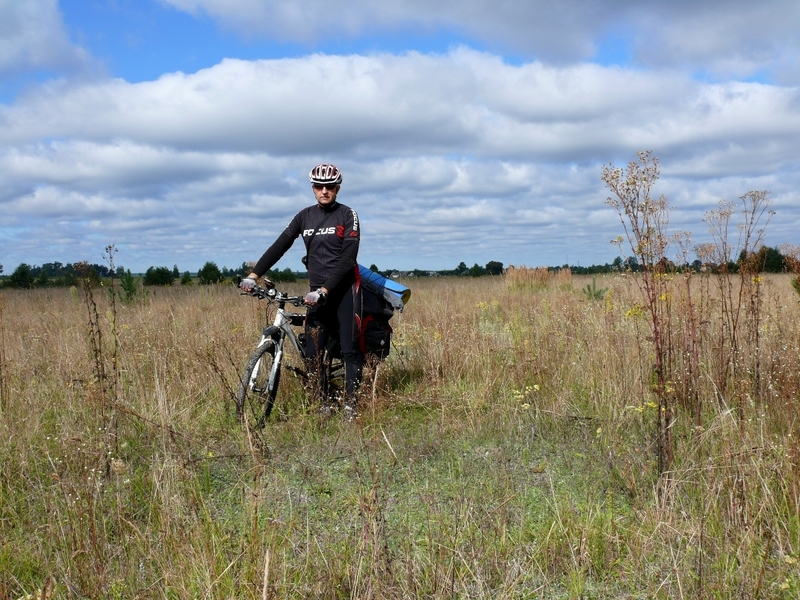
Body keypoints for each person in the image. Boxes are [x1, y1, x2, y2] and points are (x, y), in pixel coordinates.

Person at [240, 164, 363, 418]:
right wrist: (254, 275)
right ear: (313, 188)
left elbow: (348, 258)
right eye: (319, 186)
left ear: (338, 188)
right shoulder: (304, 216)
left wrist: (326, 289)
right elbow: (280, 245)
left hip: (344, 291)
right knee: (312, 353)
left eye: (330, 187)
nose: (324, 191)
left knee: (350, 350)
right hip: (316, 295)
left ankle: (352, 407)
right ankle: (322, 405)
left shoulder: (348, 215)